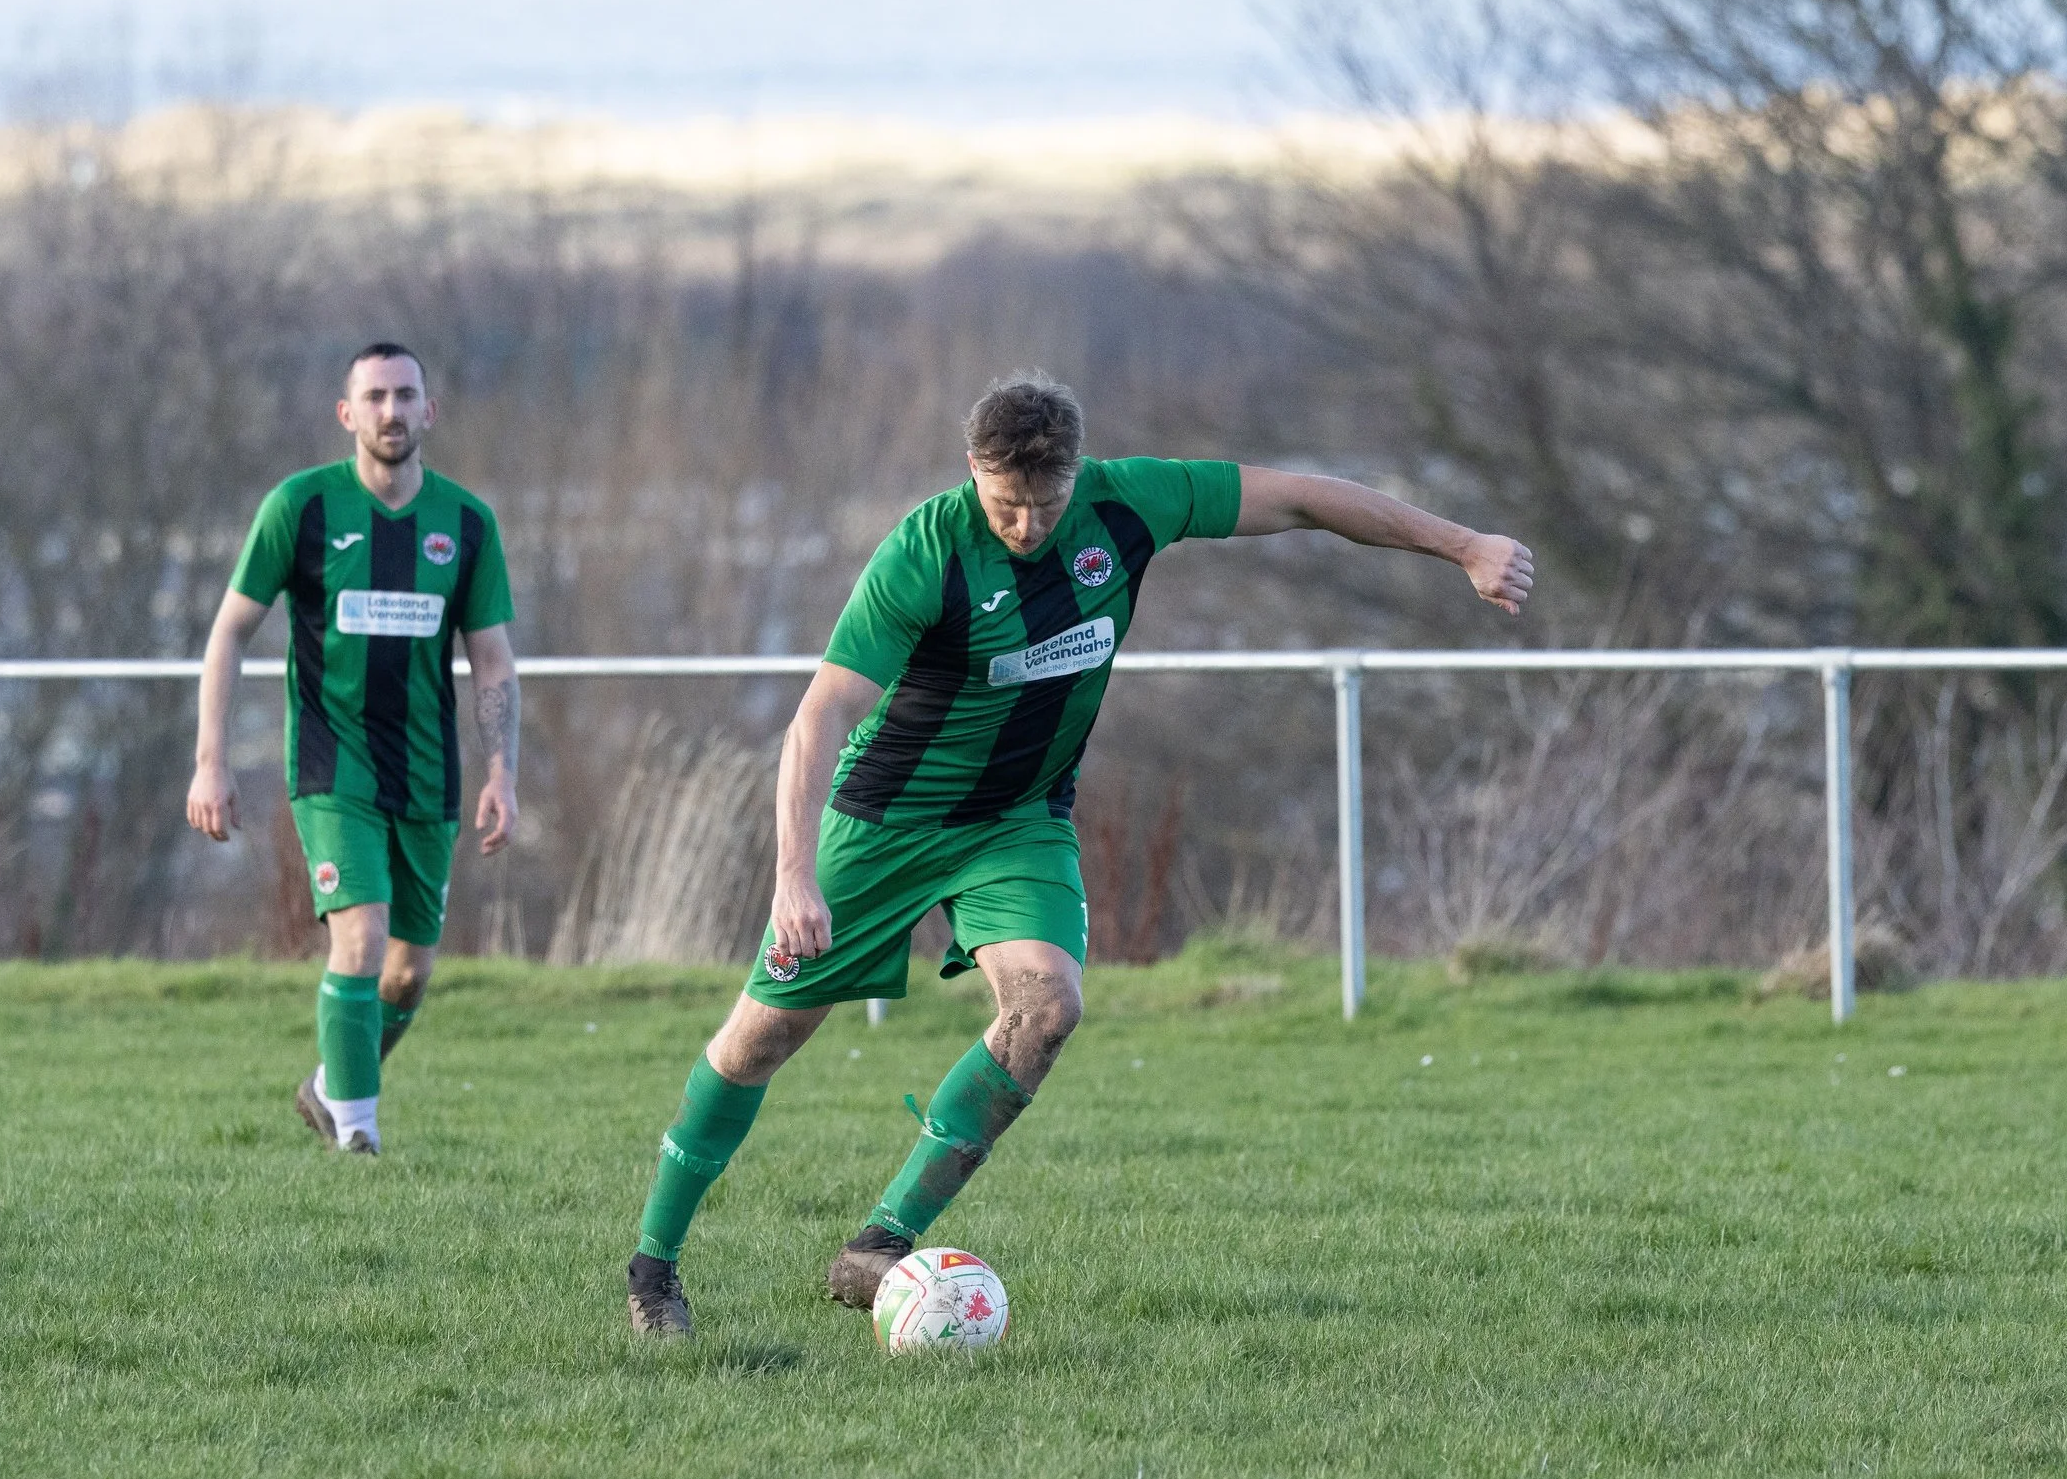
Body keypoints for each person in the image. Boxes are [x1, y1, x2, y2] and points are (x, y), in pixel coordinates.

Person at [624, 370, 1535, 1335]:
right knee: (760, 1039)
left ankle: (882, 1243)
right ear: (972, 472)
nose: (1024, 524)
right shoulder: (923, 554)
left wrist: (1464, 545)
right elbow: (820, 716)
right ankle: (653, 1270)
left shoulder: (1132, 501)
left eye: (1044, 504)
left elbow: (1304, 496)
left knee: (1048, 1008)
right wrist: (794, 874)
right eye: (1004, 502)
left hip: (1018, 821)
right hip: (883, 821)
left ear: (1076, 475)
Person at [186, 343, 518, 1155]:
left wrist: (504, 770)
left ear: (429, 410)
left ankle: (331, 1088)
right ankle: (358, 1139)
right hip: (332, 769)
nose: (391, 412)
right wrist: (211, 759)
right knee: (360, 940)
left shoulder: (466, 524)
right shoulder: (300, 509)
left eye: (406, 396)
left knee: (408, 973)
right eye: (374, 397)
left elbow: (494, 658)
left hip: (430, 774)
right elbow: (229, 632)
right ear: (347, 414)